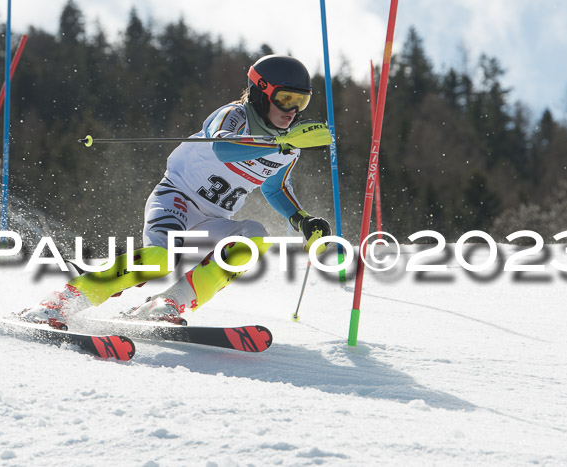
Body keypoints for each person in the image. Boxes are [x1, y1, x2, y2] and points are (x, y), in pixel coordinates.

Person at [17, 54, 332, 329]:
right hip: (176, 199)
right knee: (158, 260)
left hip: (214, 218)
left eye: (300, 102)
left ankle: (167, 303)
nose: (292, 110)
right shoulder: (235, 116)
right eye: (286, 99)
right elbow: (222, 147)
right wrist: (278, 142)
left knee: (256, 236)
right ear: (262, 92)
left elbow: (275, 187)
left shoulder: (289, 148)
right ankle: (58, 303)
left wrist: (302, 220)